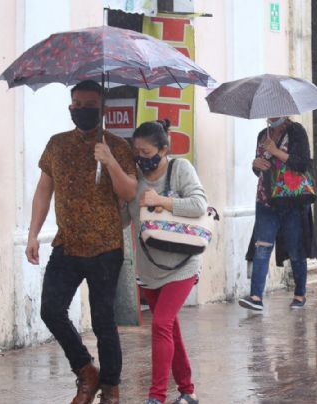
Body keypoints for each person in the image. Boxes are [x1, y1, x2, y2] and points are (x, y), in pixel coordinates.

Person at [25, 80, 137, 404]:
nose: (82, 110)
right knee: (51, 310)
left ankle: (111, 387)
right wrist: (33, 234)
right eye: (77, 104)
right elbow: (44, 191)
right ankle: (86, 370)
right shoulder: (56, 145)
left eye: (90, 105)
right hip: (67, 245)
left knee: (104, 321)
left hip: (105, 247)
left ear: (102, 109)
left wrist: (110, 161)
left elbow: (129, 192)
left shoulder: (115, 145)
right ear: (70, 107)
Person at [122, 120, 207, 404]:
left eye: (146, 152)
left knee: (160, 324)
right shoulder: (133, 178)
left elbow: (198, 205)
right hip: (148, 268)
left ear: (164, 149)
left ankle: (156, 396)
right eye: (137, 152)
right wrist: (117, 187)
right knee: (169, 327)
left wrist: (163, 201)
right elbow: (124, 220)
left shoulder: (180, 169)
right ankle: (188, 390)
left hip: (182, 265)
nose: (142, 158)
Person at [239, 116, 317, 311]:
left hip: (292, 200)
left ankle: (300, 294)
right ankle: (256, 297)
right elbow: (260, 169)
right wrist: (255, 164)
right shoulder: (262, 135)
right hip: (266, 200)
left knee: (295, 249)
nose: (272, 116)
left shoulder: (296, 131)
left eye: (276, 112)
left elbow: (302, 164)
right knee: (262, 247)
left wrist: (275, 151)